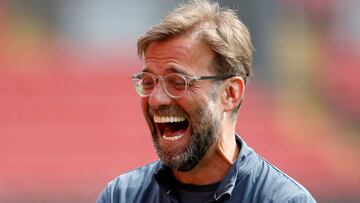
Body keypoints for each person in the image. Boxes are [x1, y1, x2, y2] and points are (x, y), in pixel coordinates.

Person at [97, 0, 316, 202]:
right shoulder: (121, 196)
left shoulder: (284, 200)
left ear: (230, 93)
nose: (156, 99)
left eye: (177, 81)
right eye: (148, 82)